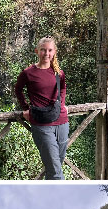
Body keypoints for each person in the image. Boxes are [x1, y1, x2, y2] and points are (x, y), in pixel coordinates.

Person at [14, 37, 68, 180]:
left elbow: (63, 88)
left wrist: (61, 104)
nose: (46, 53)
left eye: (50, 50)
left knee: (55, 167)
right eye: (43, 50)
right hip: (41, 124)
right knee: (56, 171)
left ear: (54, 52)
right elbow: (18, 89)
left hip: (62, 122)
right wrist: (25, 108)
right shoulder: (28, 73)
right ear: (37, 51)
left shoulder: (58, 72)